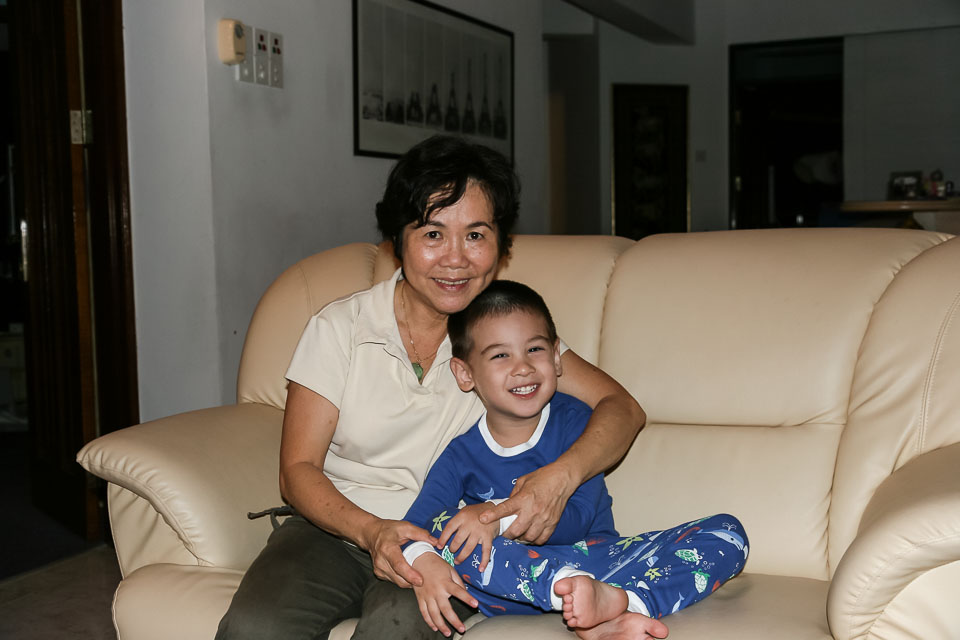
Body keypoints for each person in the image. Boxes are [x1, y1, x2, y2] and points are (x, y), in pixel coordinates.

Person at [215, 135, 647, 640]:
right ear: (397, 242)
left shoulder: (508, 340)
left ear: (501, 246)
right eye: (433, 234)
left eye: (476, 235)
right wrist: (372, 531)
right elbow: (298, 470)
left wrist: (558, 479)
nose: (456, 259)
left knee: (395, 629)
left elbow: (622, 408)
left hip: (450, 540)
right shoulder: (340, 328)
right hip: (336, 529)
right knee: (255, 627)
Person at [403, 280, 749, 639]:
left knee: (728, 532)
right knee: (451, 526)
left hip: (596, 560)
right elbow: (415, 524)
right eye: (500, 355)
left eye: (534, 349)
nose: (523, 367)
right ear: (465, 373)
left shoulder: (578, 423)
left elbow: (578, 519)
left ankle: (625, 605)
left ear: (556, 357)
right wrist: (426, 560)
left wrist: (496, 518)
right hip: (509, 585)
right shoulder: (460, 454)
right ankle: (568, 591)